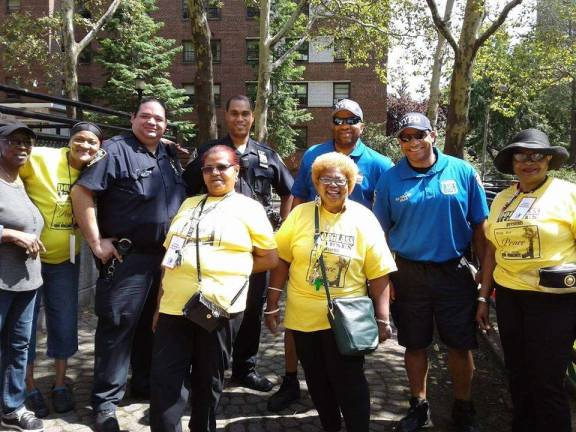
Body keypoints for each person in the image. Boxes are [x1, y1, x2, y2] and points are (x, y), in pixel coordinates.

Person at [269, 98, 394, 412]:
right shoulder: (315, 155)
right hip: (312, 248)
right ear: (332, 124)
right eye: (338, 120)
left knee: (350, 331)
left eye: (351, 120)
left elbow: (392, 206)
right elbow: (297, 195)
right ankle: (291, 380)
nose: (345, 126)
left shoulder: (379, 163)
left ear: (361, 125)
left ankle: (347, 388)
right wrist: (291, 230)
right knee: (300, 323)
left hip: (355, 255)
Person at [71, 98, 186, 432]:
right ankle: (105, 403)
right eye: (145, 117)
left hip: (164, 259)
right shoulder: (114, 151)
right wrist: (95, 241)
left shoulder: (167, 154)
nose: (152, 123)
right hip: (128, 258)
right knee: (118, 328)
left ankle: (143, 383)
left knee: (154, 327)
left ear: (166, 125)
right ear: (132, 118)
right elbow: (82, 193)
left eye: (159, 119)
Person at [373, 112, 488, 432]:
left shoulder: (462, 171)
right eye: (405, 138)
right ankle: (418, 406)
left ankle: (464, 409)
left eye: (418, 136)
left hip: (454, 272)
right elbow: (378, 234)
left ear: (433, 135)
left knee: (460, 344)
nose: (411, 143)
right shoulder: (390, 179)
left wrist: (482, 276)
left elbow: (481, 228)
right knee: (414, 343)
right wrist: (385, 279)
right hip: (408, 274)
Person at [150, 145, 278, 432]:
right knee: (164, 381)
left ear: (236, 170)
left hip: (218, 308)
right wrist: (159, 304)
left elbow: (268, 257)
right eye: (208, 168)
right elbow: (169, 259)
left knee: (208, 381)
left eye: (222, 167)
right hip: (174, 307)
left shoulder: (249, 208)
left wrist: (232, 270)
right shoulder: (188, 205)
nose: (214, 173)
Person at [182, 95, 293, 392]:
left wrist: (282, 230)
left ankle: (245, 368)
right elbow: (187, 188)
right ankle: (205, 367)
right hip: (215, 248)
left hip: (255, 249)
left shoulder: (267, 155)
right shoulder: (209, 152)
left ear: (252, 118)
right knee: (208, 304)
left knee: (251, 308)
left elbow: (288, 191)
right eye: (234, 113)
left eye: (245, 114)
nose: (240, 119)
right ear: (226, 116)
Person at [476, 129, 576, 432]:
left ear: (548, 159)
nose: (528, 162)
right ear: (512, 161)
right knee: (517, 374)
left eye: (536, 155)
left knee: (546, 380)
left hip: (555, 301)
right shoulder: (504, 199)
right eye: (521, 155)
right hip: (509, 298)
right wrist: (483, 297)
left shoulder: (568, 194)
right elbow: (492, 250)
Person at [20, 122, 103, 418]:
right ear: (69, 141)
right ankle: (27, 385)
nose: (85, 147)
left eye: (92, 143)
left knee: (64, 321)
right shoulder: (41, 157)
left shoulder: (97, 166)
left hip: (65, 260)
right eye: (79, 140)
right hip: (27, 258)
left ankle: (59, 384)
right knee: (26, 324)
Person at [0, 123, 45, 432]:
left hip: (28, 282)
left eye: (27, 142)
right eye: (14, 141)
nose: (22, 147)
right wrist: (9, 234)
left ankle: (12, 407)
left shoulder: (20, 183)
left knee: (18, 347)